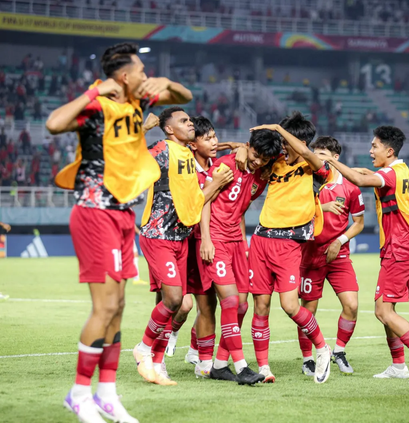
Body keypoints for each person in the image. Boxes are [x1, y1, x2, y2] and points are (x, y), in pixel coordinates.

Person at [46, 42, 193, 423]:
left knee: (120, 307)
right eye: (142, 70)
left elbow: (184, 95)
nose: (146, 75)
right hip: (95, 212)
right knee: (105, 307)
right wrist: (92, 92)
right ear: (124, 76)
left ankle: (107, 395)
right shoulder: (99, 105)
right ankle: (79, 394)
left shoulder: (136, 104)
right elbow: (54, 124)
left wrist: (165, 81)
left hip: (123, 214)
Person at [315, 126, 409, 384]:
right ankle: (398, 365)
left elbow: (361, 180)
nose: (370, 151)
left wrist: (330, 161)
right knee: (385, 308)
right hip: (396, 249)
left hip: (400, 249)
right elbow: (365, 173)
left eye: (374, 146)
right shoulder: (400, 169)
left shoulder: (389, 175)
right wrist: (343, 167)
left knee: (383, 311)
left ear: (389, 150)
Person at [132, 107, 234, 386]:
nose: (190, 124)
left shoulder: (187, 154)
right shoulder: (162, 149)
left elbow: (195, 200)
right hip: (158, 234)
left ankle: (157, 360)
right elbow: (129, 160)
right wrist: (143, 128)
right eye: (184, 121)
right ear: (168, 129)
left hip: (180, 238)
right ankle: (144, 349)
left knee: (175, 304)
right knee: (176, 300)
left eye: (190, 120)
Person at [246, 112, 332, 384]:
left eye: (286, 139)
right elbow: (252, 155)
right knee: (260, 306)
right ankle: (263, 367)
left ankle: (322, 348)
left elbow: (310, 155)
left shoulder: (312, 166)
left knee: (290, 305)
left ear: (300, 140)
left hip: (290, 244)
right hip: (261, 240)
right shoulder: (275, 161)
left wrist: (276, 128)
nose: (282, 146)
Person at [198, 129, 282, 383]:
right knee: (231, 302)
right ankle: (242, 366)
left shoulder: (260, 174)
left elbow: (240, 207)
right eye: (255, 155)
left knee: (243, 305)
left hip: (236, 242)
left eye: (264, 159)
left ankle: (220, 364)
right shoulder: (225, 166)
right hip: (216, 239)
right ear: (248, 147)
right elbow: (204, 202)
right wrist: (206, 239)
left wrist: (242, 240)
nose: (257, 161)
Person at [297, 136, 365, 377]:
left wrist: (340, 240)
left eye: (323, 155)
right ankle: (307, 359)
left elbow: (358, 223)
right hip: (310, 255)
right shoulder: (307, 183)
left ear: (336, 158)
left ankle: (339, 351)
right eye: (315, 154)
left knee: (352, 305)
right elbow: (295, 213)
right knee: (308, 310)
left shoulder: (351, 188)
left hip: (339, 256)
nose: (317, 160)